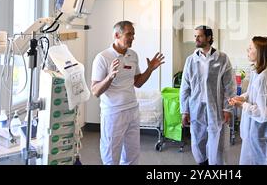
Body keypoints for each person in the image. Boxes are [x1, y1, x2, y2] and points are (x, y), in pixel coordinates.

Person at [91, 20, 165, 165]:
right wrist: (109, 76)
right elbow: (95, 91)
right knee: (111, 155)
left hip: (132, 110)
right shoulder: (102, 58)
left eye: (133, 34)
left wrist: (149, 69)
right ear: (117, 35)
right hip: (113, 113)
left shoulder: (133, 55)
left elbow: (138, 83)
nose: (132, 38)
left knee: (132, 154)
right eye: (129, 34)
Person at [180, 25, 235, 165]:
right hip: (196, 106)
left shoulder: (222, 58)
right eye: (195, 36)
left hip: (215, 107)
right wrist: (184, 111)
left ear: (209, 38)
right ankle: (202, 163)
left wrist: (227, 108)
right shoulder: (191, 60)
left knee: (217, 138)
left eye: (200, 36)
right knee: (198, 139)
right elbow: (185, 87)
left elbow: (229, 85)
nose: (196, 39)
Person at [229, 36, 267, 165]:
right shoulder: (257, 71)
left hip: (263, 134)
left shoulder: (266, 77)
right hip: (255, 132)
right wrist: (243, 97)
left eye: (251, 48)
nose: (248, 49)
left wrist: (242, 105)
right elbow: (254, 92)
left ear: (260, 52)